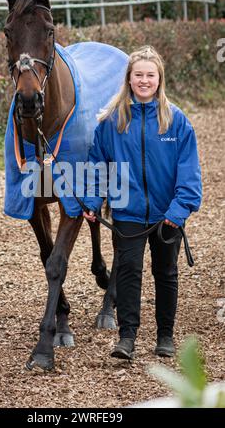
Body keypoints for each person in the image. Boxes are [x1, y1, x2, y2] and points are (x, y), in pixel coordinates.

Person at [83, 45, 202, 359]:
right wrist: (92, 202)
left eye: (150, 75)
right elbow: (98, 166)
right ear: (129, 78)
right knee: (129, 271)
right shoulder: (112, 121)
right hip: (128, 213)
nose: (145, 81)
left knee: (165, 273)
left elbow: (189, 172)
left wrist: (179, 210)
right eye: (139, 75)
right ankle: (127, 337)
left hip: (167, 215)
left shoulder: (176, 121)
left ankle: (165, 336)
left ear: (159, 79)